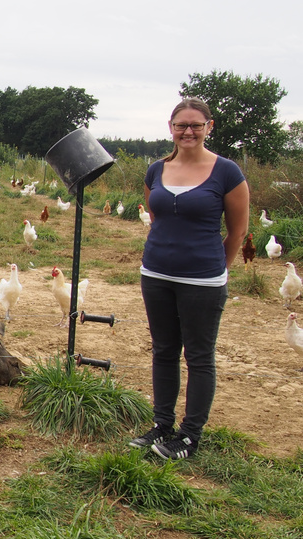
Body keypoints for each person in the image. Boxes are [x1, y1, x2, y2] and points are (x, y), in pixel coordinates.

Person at [129, 97, 249, 460]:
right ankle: (162, 424)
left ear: (209, 127)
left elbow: (237, 232)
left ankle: (190, 435)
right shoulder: (156, 170)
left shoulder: (227, 173)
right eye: (181, 125)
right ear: (171, 128)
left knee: (199, 356)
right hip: (155, 275)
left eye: (196, 125)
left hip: (203, 281)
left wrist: (216, 268)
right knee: (164, 351)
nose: (188, 131)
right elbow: (158, 217)